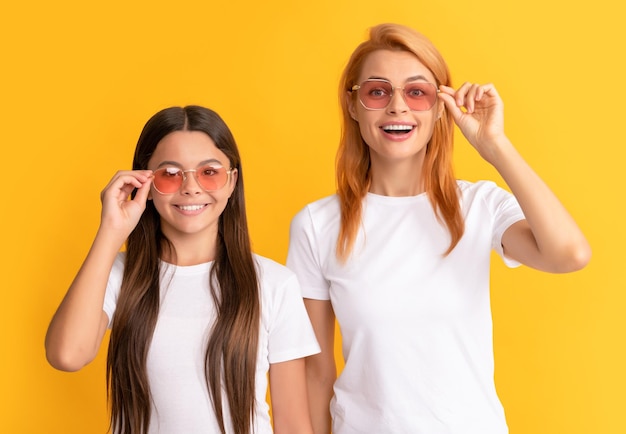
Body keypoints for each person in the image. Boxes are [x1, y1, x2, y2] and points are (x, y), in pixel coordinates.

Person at [286, 23, 591, 434]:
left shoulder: (480, 205)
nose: (398, 107)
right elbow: (315, 375)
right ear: (353, 104)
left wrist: (495, 147)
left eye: (417, 92)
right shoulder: (317, 224)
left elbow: (570, 255)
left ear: (440, 105)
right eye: (378, 91)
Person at [45, 105, 320, 434]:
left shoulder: (274, 284)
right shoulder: (120, 273)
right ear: (144, 184)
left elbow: (292, 424)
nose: (190, 187)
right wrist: (111, 231)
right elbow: (66, 355)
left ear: (232, 181)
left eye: (209, 172)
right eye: (170, 174)